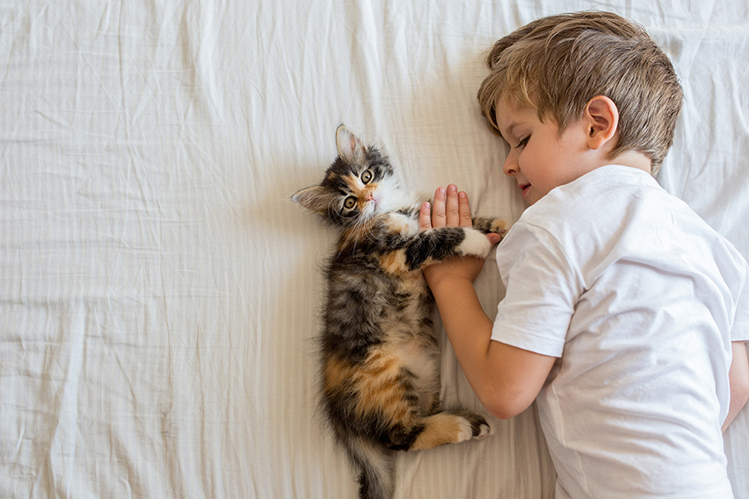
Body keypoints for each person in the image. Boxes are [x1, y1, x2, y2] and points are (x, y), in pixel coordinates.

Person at [418, 11, 749, 499]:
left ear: (597, 124)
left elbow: (505, 390)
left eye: (521, 138)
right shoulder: (716, 247)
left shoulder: (557, 223)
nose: (508, 165)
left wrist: (450, 282)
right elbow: (734, 386)